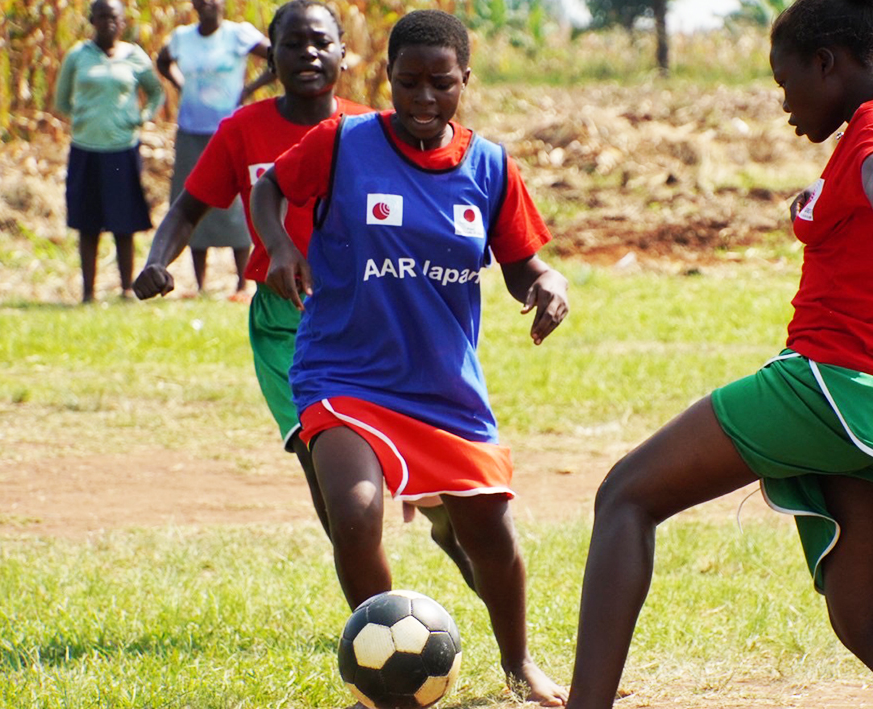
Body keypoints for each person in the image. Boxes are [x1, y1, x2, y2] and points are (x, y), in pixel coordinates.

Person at [564, 0, 873, 706]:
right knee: (860, 613)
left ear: (827, 63)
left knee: (625, 494)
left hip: (832, 387)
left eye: (785, 82)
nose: (782, 104)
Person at [251, 10, 569, 706]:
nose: (425, 99)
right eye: (409, 82)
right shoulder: (343, 141)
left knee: (491, 532)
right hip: (343, 373)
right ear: (387, 76)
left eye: (442, 84)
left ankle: (520, 666)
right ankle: (388, 668)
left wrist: (548, 284)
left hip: (443, 389)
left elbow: (521, 263)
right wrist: (279, 245)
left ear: (465, 82)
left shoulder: (489, 166)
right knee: (357, 513)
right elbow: (269, 185)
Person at [133, 1, 379, 546]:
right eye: (292, 44)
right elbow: (187, 210)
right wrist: (156, 262)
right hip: (283, 321)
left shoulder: (372, 130)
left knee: (396, 469)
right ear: (271, 55)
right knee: (318, 455)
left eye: (321, 42)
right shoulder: (242, 130)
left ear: (343, 52)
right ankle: (366, 597)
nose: (308, 53)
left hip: (366, 318)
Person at [156, 0, 273, 301]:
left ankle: (242, 284)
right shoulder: (183, 38)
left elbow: (277, 57)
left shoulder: (238, 35)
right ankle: (200, 284)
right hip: (192, 129)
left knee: (236, 207)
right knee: (194, 200)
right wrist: (181, 83)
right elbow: (162, 61)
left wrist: (248, 90)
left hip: (229, 129)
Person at [54, 0, 164, 303]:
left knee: (123, 222)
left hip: (122, 150)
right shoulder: (78, 55)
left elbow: (156, 92)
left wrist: (141, 118)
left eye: (114, 17)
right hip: (86, 149)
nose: (108, 23)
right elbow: (62, 100)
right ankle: (88, 292)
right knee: (87, 222)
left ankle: (127, 289)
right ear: (92, 20)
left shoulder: (134, 56)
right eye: (101, 17)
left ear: (123, 22)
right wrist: (84, 119)